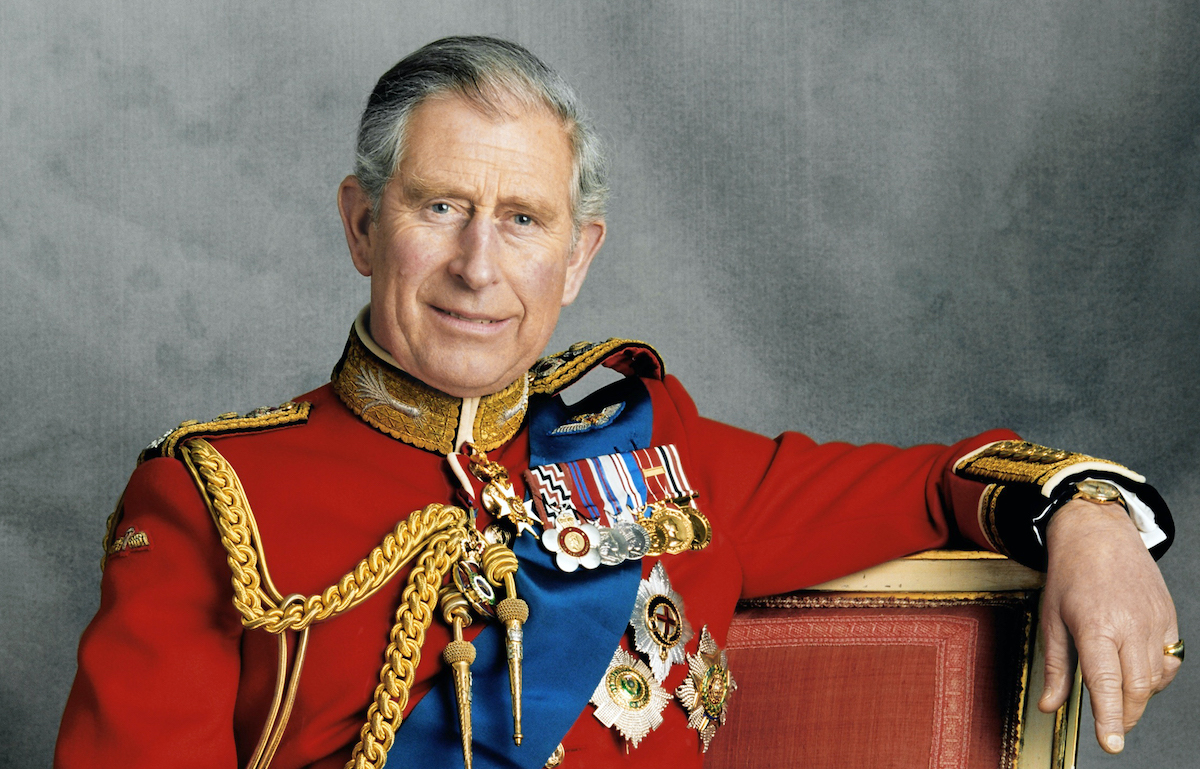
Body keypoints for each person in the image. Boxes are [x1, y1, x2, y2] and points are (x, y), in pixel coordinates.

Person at [54, 36, 1181, 769]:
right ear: (360, 223)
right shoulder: (216, 494)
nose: (478, 267)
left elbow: (942, 485)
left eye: (524, 219)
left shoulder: (665, 456)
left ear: (579, 256)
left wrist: (1085, 516)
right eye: (440, 207)